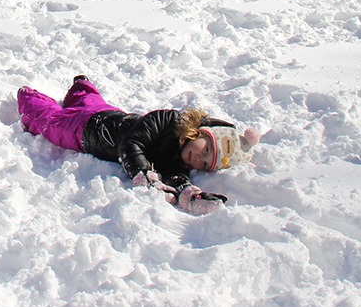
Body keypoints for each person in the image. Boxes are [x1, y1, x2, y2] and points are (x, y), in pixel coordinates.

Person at [16, 76, 257, 215]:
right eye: (205, 149)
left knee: (91, 103)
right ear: (200, 132)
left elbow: (176, 175)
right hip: (85, 132)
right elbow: (131, 146)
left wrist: (189, 194)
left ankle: (82, 87)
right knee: (50, 123)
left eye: (205, 163)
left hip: (105, 115)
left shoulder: (180, 157)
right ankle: (29, 97)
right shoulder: (167, 120)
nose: (198, 158)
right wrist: (145, 175)